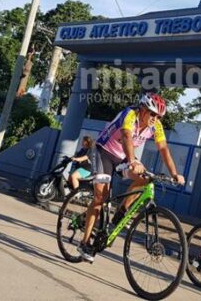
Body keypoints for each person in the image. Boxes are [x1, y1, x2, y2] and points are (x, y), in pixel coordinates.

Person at [77, 93, 185, 263]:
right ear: (142, 109)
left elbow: (163, 148)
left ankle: (121, 211)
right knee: (100, 197)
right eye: (152, 114)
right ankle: (84, 242)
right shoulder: (130, 114)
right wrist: (133, 161)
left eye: (158, 116)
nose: (155, 119)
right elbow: (127, 135)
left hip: (122, 157)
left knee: (145, 179)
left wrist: (174, 173)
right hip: (103, 152)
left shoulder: (156, 126)